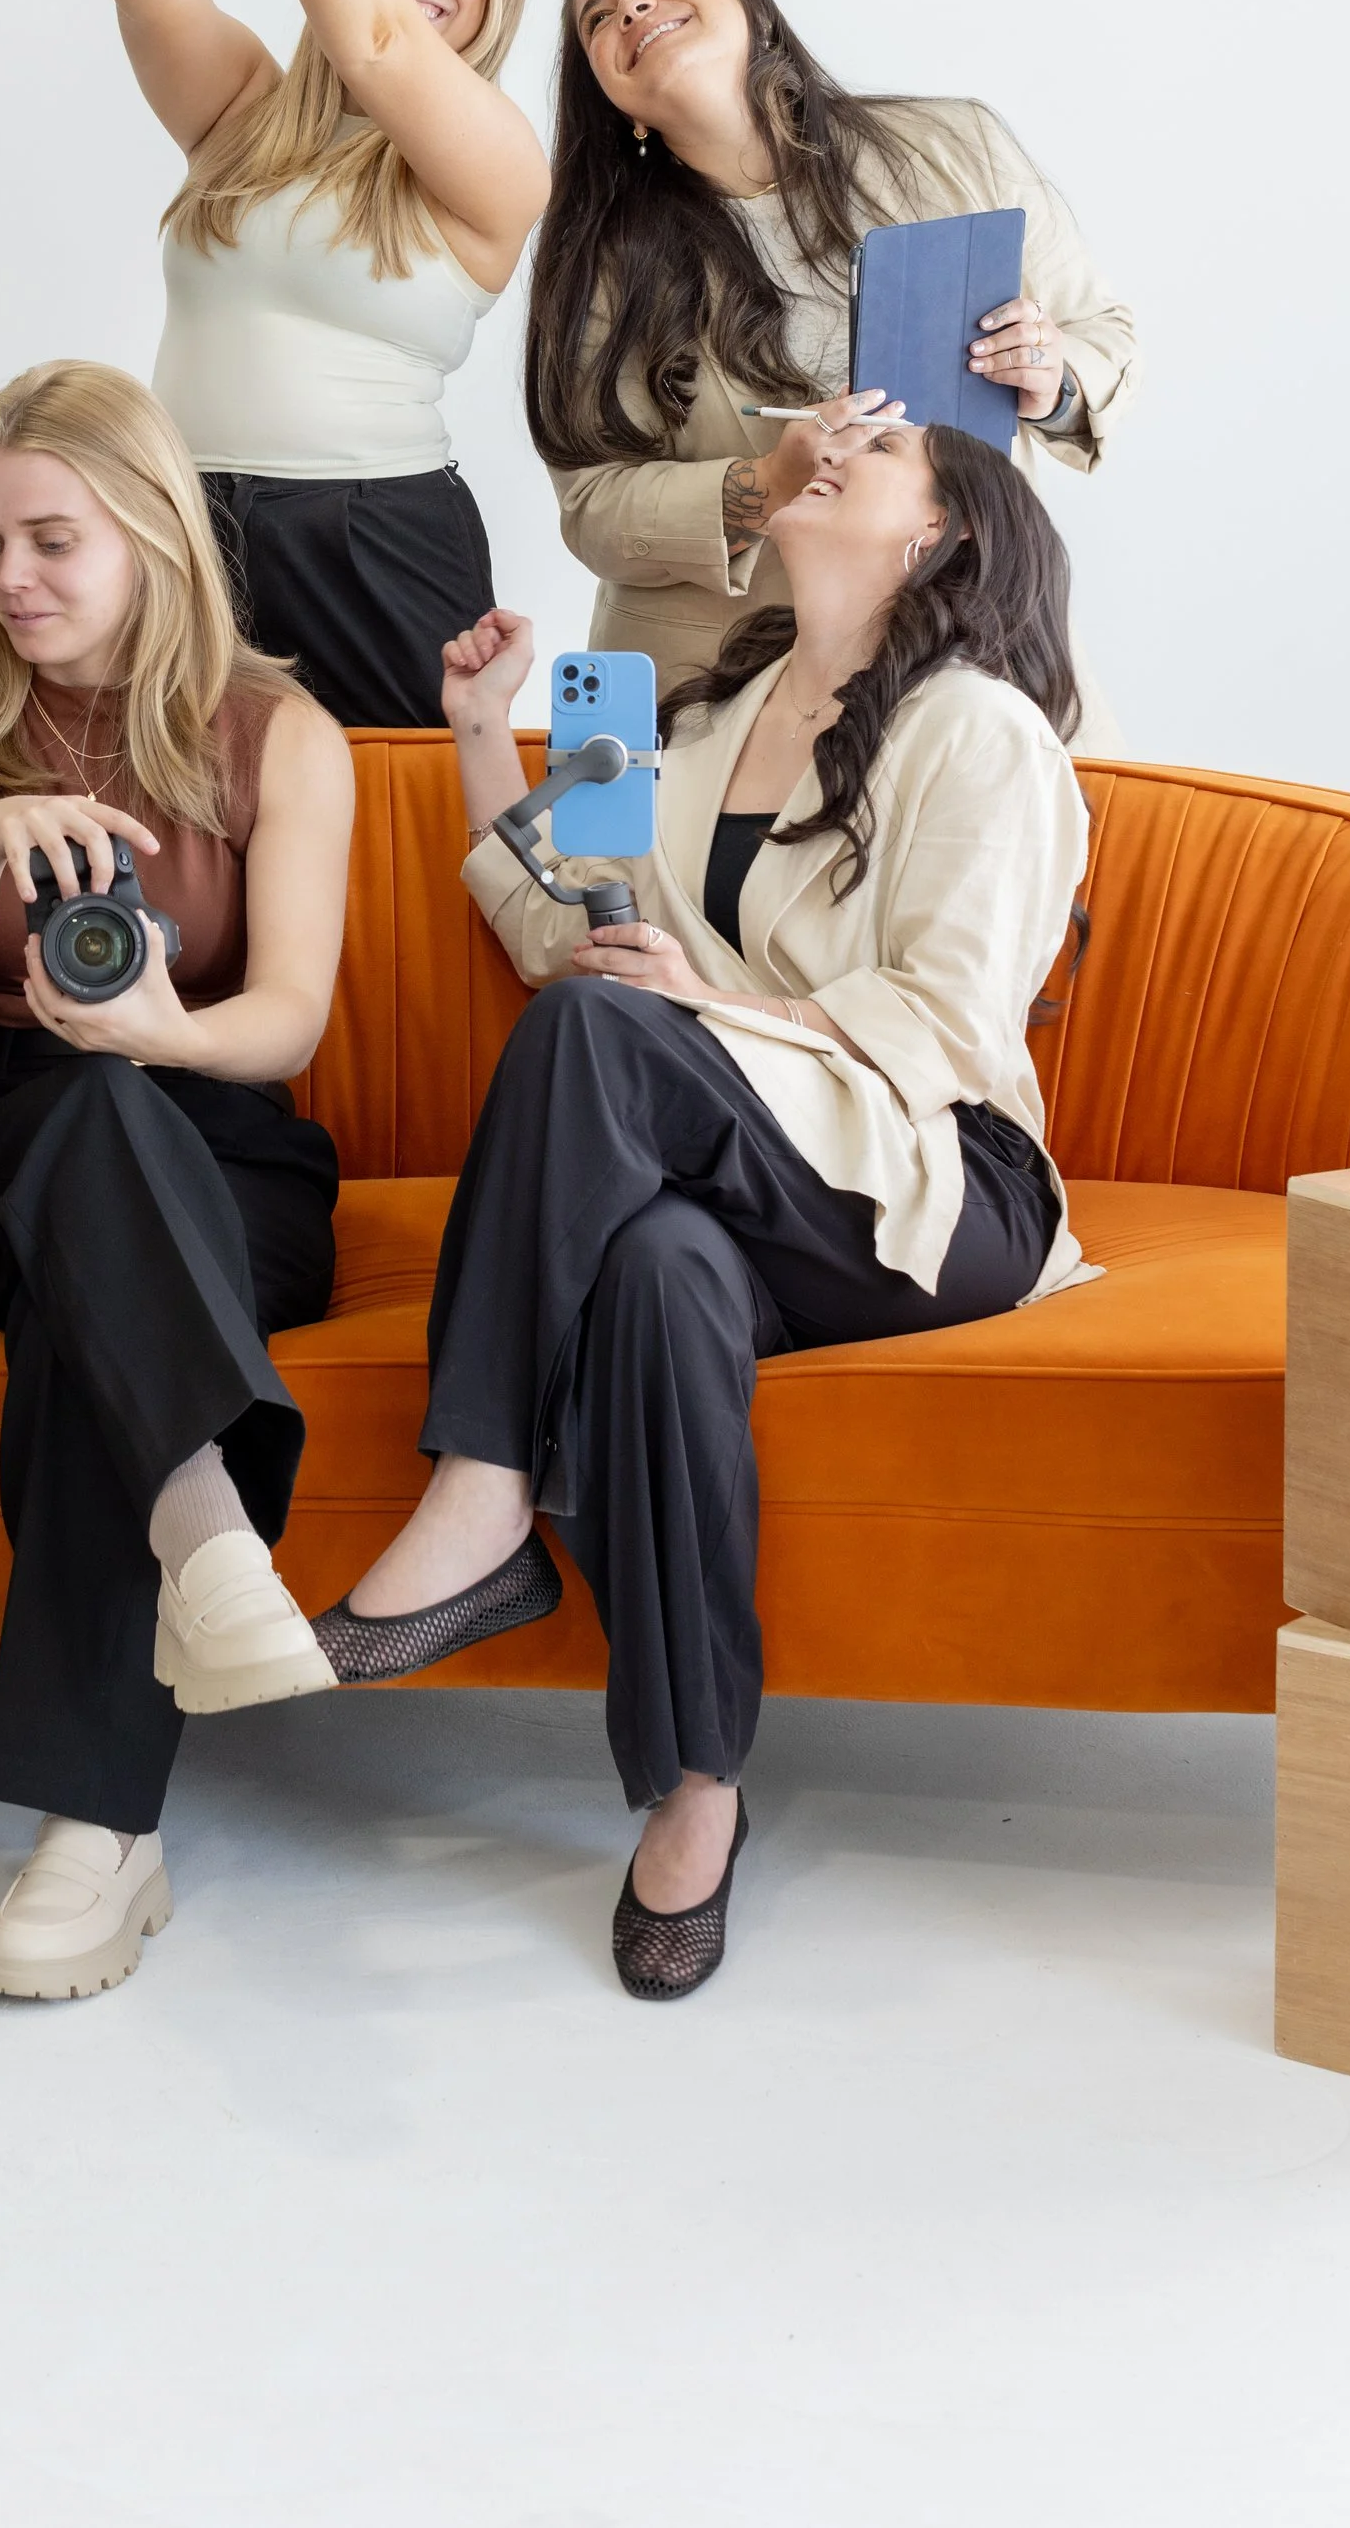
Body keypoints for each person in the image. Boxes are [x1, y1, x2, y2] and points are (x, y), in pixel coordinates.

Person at [308, 412, 1090, 2001]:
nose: (825, 459)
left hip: (927, 1186)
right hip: (726, 1191)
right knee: (658, 1267)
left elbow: (947, 1024)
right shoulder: (697, 710)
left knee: (612, 1029)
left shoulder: (981, 730)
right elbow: (564, 932)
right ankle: (697, 1784)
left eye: (875, 462)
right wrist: (480, 727)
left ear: (941, 534)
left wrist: (695, 1017)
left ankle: (482, 1487)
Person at [0, 357, 357, 2000]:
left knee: (113, 1161)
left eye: (52, 540)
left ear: (149, 527)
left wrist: (156, 1028)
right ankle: (204, 1552)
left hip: (217, 1139)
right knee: (79, 1126)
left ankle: (99, 1825)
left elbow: (283, 1014)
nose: (12, 579)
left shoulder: (282, 731)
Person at [41, 0, 549, 726]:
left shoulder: (495, 159)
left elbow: (376, 42)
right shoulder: (247, 119)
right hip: (182, 522)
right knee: (195, 832)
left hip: (373, 539)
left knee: (394, 835)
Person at [525, 0, 1137, 710]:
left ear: (755, 8)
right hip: (720, 690)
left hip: (976, 657)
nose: (631, 8)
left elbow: (1105, 336)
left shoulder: (956, 145)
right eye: (598, 18)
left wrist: (1051, 379)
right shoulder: (598, 256)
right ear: (613, 100)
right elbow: (592, 505)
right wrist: (765, 483)